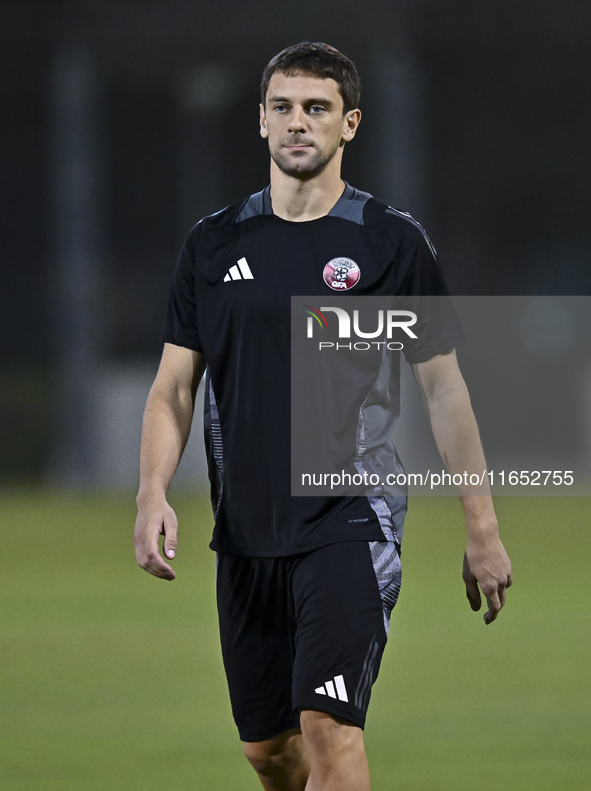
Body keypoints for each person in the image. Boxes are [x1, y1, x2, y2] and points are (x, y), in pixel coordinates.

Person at [134, 42, 512, 791]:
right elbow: (173, 386)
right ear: (262, 122)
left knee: (329, 732)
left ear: (349, 125)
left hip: (349, 518)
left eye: (315, 108)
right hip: (245, 532)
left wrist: (482, 526)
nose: (296, 123)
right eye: (282, 107)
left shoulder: (388, 242)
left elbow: (444, 389)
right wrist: (151, 491)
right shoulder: (213, 244)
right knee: (271, 752)